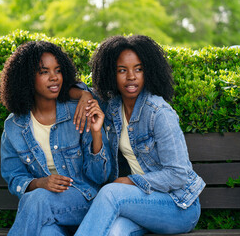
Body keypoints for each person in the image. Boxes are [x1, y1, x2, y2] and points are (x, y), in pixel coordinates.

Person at [71, 35, 206, 235]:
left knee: (110, 193)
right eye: (122, 70)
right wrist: (86, 101)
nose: (131, 76)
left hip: (178, 206)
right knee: (115, 232)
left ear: (148, 71)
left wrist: (131, 180)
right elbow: (68, 88)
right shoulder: (114, 107)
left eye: (138, 69)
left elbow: (178, 175)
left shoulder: (159, 112)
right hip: (141, 204)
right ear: (111, 74)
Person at [0, 41, 111, 235]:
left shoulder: (77, 111)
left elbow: (99, 176)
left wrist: (96, 133)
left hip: (86, 200)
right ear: (27, 78)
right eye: (44, 72)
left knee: (36, 199)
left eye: (58, 71)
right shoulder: (14, 127)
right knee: (46, 232)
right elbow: (14, 177)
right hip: (47, 212)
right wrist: (40, 183)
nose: (54, 78)